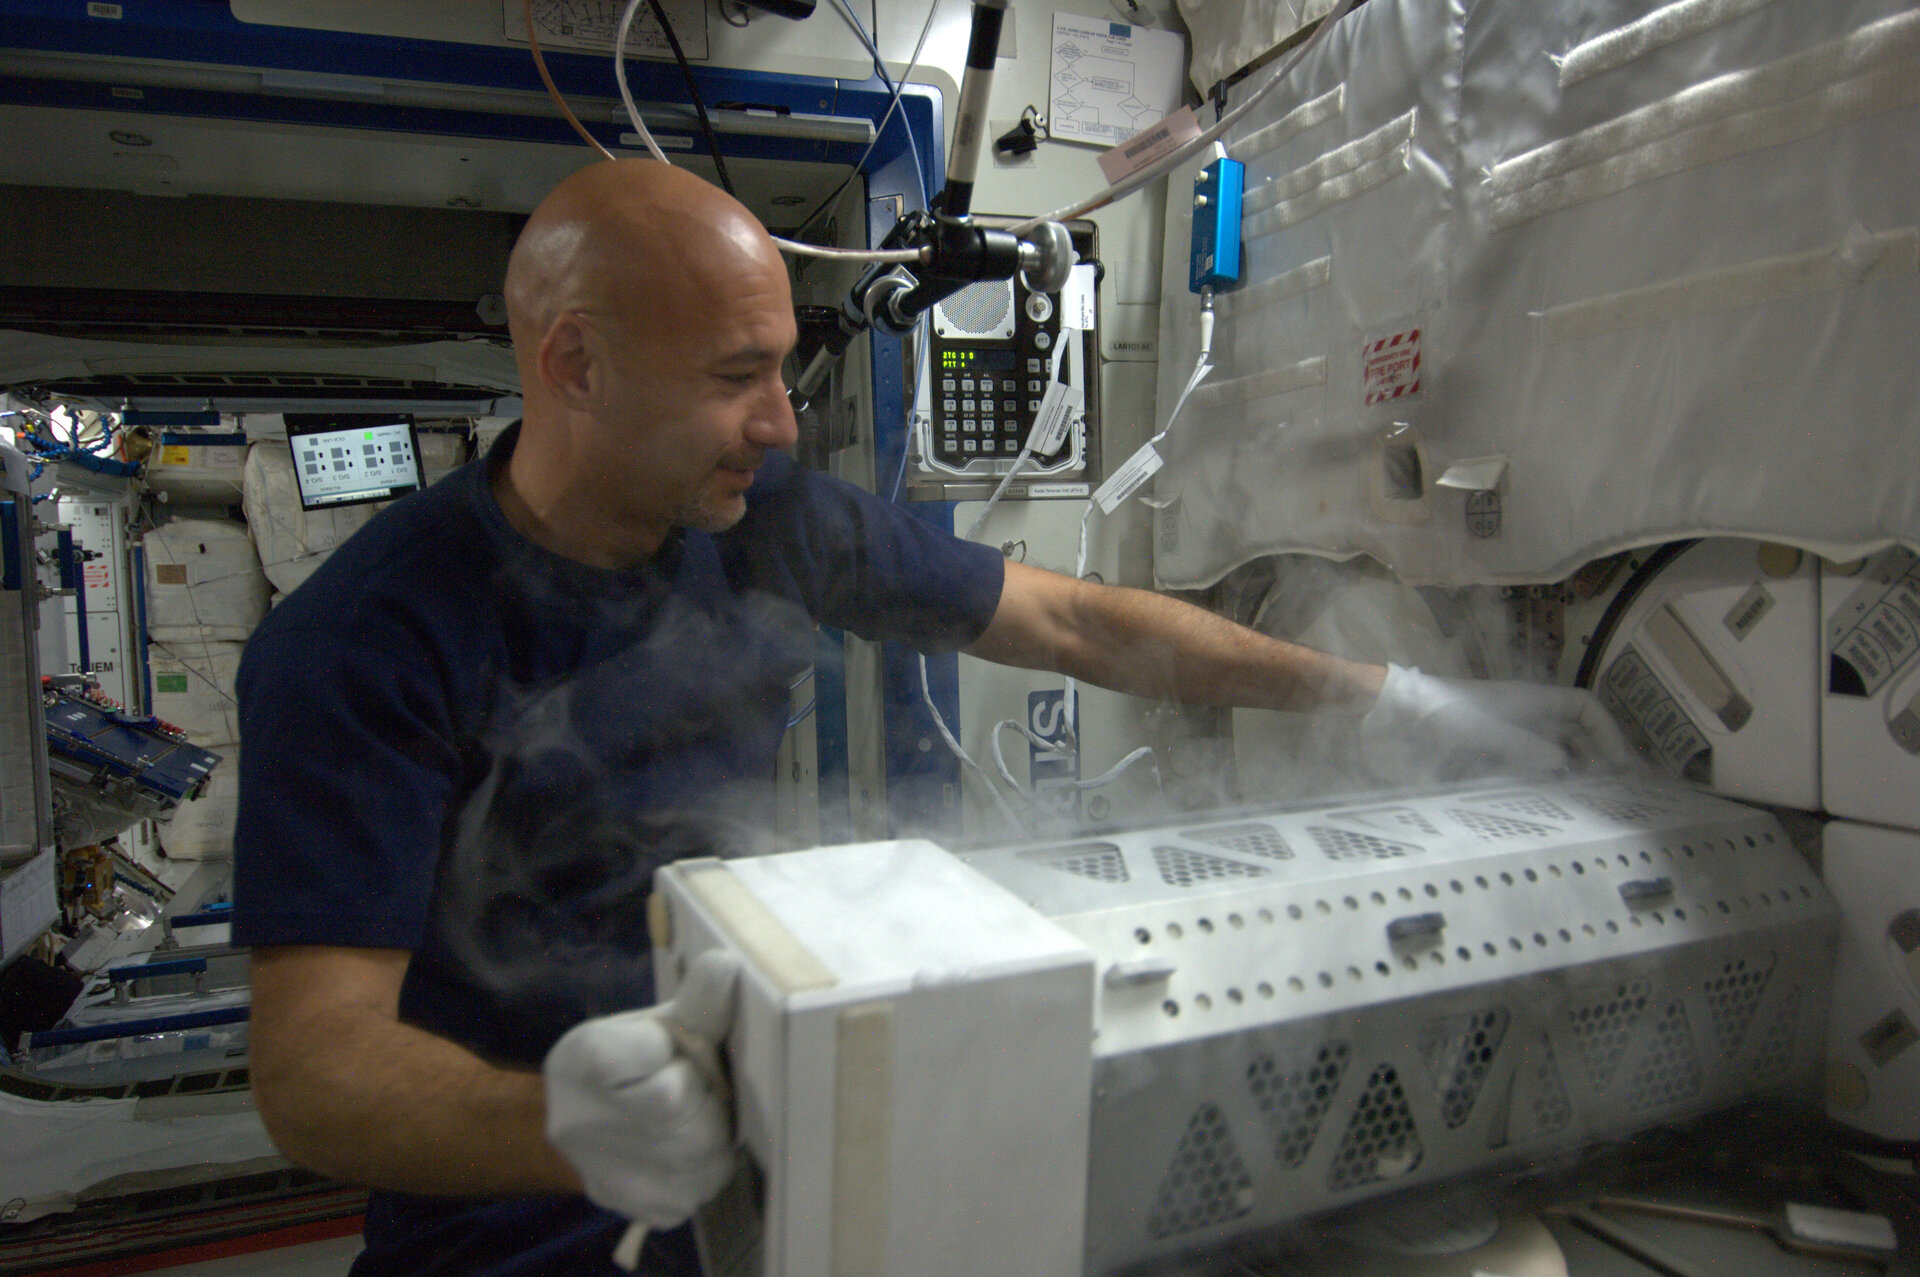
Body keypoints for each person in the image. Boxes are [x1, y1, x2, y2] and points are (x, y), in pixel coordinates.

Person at [234, 160, 1621, 1276]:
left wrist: (1389, 698)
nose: (782, 422)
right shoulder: (367, 639)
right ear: (576, 366)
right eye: (734, 376)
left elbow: (1077, 621)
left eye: (786, 367)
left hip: (770, 1182)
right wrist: (563, 1122)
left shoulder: (763, 520)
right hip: (511, 1230)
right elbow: (316, 1070)